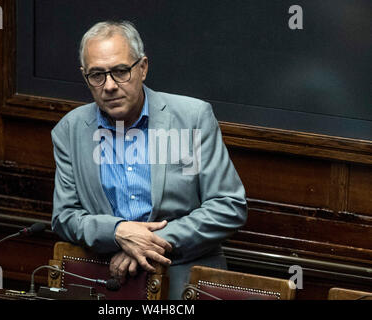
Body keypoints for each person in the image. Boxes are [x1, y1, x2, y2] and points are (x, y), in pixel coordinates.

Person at [51, 21, 247, 299]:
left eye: (120, 71)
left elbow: (229, 206)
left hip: (185, 282)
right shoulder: (69, 131)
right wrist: (118, 232)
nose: (109, 86)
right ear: (85, 76)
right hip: (109, 283)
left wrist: (149, 243)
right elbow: (65, 217)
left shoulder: (192, 118)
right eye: (97, 75)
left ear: (142, 68)